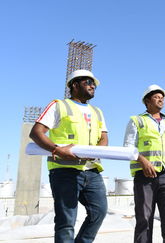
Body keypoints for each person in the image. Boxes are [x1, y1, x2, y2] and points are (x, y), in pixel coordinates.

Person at [30, 69, 108, 243]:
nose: (92, 86)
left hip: (92, 171)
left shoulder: (97, 111)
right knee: (66, 220)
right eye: (88, 82)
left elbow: (104, 137)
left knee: (99, 212)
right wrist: (57, 149)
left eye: (94, 83)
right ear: (74, 85)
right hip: (64, 170)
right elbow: (36, 132)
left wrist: (96, 151)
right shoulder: (59, 105)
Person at [123, 84, 165, 243]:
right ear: (147, 101)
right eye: (156, 97)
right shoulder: (137, 120)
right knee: (144, 218)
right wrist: (142, 160)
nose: (160, 99)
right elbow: (128, 147)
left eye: (162, 97)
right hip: (144, 176)